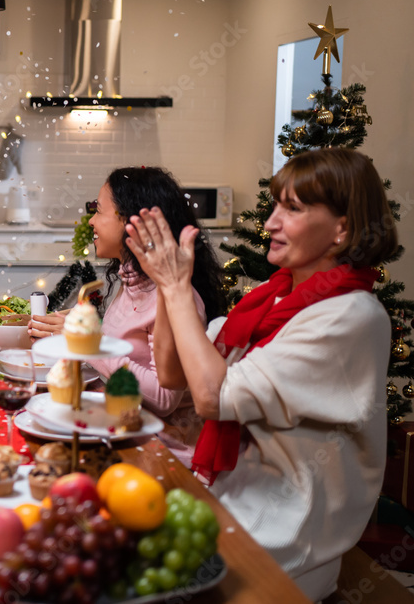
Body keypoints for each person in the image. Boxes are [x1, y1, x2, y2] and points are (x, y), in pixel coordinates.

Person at [125, 148, 397, 600]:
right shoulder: (271, 300)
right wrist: (167, 284)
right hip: (230, 498)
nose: (270, 222)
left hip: (283, 537)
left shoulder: (351, 315)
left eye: (292, 208)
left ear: (342, 228)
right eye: (275, 206)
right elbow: (175, 374)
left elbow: (213, 396)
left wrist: (175, 288)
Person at [28, 167, 225, 465]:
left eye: (99, 211)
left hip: (158, 453)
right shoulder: (130, 283)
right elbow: (122, 352)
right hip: (115, 428)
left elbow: (162, 399)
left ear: (131, 221)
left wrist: (89, 343)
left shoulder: (175, 299)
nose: (91, 221)